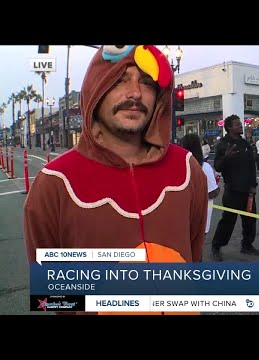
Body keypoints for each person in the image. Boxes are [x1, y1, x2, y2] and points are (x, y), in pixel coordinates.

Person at [24, 46, 208, 313]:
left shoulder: (186, 169)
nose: (135, 93)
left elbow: (193, 253)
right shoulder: (54, 183)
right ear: (96, 89)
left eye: (146, 82)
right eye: (120, 79)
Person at [211, 114, 259, 261]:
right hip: (232, 190)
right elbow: (218, 167)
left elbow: (252, 166)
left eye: (240, 124)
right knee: (228, 221)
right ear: (229, 128)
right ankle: (216, 246)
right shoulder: (223, 144)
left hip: (248, 190)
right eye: (237, 124)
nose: (241, 126)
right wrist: (226, 157)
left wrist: (253, 186)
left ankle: (247, 245)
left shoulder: (245, 144)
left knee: (250, 220)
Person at [181, 133, 220, 239]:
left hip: (182, 214)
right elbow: (212, 193)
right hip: (201, 214)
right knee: (197, 247)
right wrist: (217, 185)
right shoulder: (205, 167)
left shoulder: (178, 165)